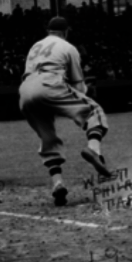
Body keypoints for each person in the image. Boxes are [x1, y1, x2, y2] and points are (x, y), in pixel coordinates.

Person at [18, 17, 111, 207]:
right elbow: (78, 84)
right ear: (66, 31)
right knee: (94, 111)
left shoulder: (35, 46)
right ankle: (94, 150)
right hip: (49, 83)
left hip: (25, 91)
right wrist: (82, 93)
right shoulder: (68, 47)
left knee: (48, 138)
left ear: (48, 30)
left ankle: (58, 183)